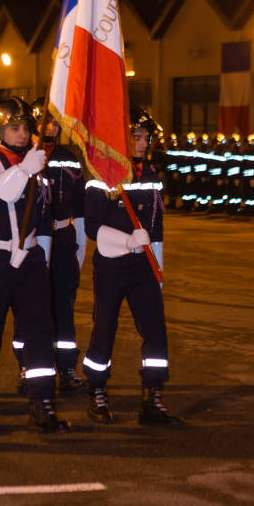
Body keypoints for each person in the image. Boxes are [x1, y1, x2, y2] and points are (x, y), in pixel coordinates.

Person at [0, 96, 71, 435]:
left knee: (39, 332)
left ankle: (42, 400)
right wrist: (24, 170)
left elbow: (44, 213)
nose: (22, 134)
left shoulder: (37, 163)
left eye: (26, 128)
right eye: (14, 128)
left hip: (30, 258)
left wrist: (42, 255)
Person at [82, 107, 182, 426]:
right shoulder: (101, 176)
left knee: (155, 331)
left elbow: (157, 225)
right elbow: (92, 226)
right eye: (136, 137)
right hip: (112, 265)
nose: (142, 143)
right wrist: (126, 241)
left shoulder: (150, 175)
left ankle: (152, 397)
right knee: (104, 330)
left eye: (145, 138)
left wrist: (158, 267)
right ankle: (97, 391)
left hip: (143, 267)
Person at [14, 98, 85, 393]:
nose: (51, 127)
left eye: (56, 122)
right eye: (45, 121)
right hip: (32, 241)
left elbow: (80, 206)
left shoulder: (70, 157)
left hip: (64, 239)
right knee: (28, 307)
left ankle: (66, 366)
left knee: (64, 307)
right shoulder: (23, 158)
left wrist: (81, 247)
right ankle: (26, 366)